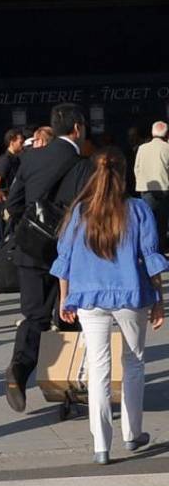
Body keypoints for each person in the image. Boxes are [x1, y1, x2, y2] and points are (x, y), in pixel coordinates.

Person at [53, 148, 165, 463]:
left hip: (89, 295)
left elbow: (66, 259)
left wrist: (66, 297)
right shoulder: (139, 209)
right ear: (125, 174)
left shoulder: (80, 211)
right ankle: (132, 433)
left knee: (98, 368)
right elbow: (152, 260)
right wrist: (160, 300)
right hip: (131, 292)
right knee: (134, 362)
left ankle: (101, 445)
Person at [4, 102, 89, 412]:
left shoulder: (29, 159)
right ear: (77, 128)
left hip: (31, 247)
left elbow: (13, 202)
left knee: (35, 315)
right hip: (67, 252)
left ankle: (19, 369)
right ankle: (67, 391)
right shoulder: (82, 164)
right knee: (69, 315)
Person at [133, 121, 169, 252]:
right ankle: (160, 249)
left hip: (146, 190)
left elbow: (137, 168)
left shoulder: (142, 148)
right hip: (165, 189)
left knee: (148, 221)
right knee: (162, 222)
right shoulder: (167, 148)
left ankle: (149, 250)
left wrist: (141, 182)